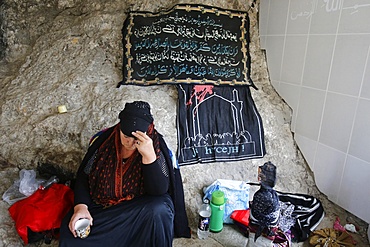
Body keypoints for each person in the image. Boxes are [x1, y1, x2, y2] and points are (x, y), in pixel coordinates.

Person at [59, 101, 190, 247]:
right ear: (119, 128)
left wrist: (149, 157)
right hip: (106, 210)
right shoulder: (103, 142)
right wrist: (81, 207)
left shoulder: (157, 146)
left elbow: (159, 191)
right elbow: (84, 177)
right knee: (70, 233)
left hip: (139, 213)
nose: (129, 142)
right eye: (126, 136)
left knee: (159, 210)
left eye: (136, 138)